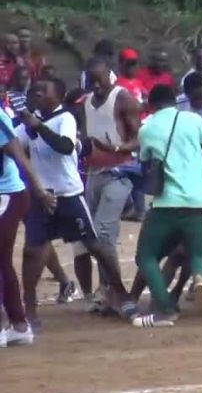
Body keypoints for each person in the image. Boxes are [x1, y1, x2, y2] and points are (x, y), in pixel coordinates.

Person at [16, 77, 135, 328]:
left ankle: (121, 293)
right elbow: (15, 146)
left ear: (56, 96)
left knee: (95, 246)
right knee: (31, 252)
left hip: (68, 194)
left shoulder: (65, 119)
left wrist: (38, 127)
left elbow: (65, 146)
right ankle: (28, 307)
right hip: (42, 197)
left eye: (42, 91)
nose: (37, 94)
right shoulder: (30, 122)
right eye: (35, 91)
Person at [132, 83, 202, 327]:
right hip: (199, 198)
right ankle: (200, 278)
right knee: (196, 252)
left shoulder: (146, 129)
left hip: (167, 201)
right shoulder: (194, 121)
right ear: (174, 100)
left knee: (146, 256)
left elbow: (146, 165)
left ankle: (166, 309)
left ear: (151, 103)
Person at [82, 58, 143, 305]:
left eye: (100, 79)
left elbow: (140, 137)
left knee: (103, 232)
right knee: (95, 236)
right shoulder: (86, 102)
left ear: (111, 76)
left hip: (120, 172)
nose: (96, 85)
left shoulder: (122, 98)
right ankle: (107, 287)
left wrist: (116, 146)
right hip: (93, 174)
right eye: (91, 80)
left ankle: (116, 291)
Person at [0, 106, 54, 346]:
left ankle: (5, 325)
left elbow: (19, 155)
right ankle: (19, 326)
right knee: (2, 262)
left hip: (7, 195)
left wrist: (40, 192)